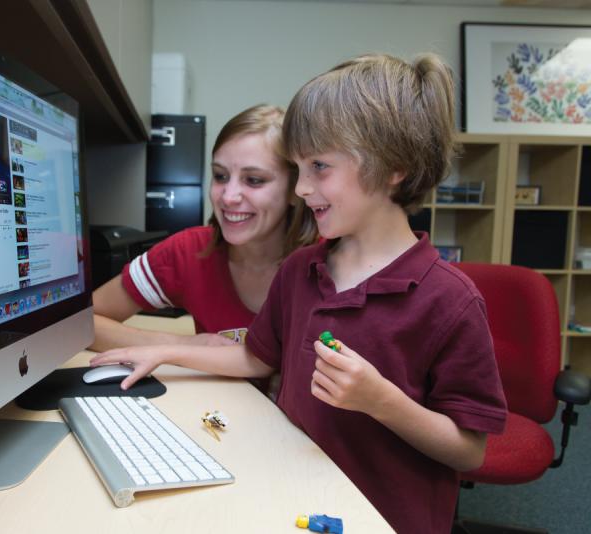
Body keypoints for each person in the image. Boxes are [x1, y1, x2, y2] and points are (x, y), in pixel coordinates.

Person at [90, 54, 507, 533]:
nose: (302, 188)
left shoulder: (451, 301)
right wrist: (164, 352)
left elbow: (470, 450)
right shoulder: (301, 269)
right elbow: (256, 358)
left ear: (394, 166)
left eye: (319, 167)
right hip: (297, 503)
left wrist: (381, 401)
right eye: (298, 168)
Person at [90, 104, 318, 352]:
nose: (228, 197)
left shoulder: (331, 260)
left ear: (296, 188)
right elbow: (83, 323)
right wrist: (181, 345)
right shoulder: (189, 251)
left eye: (254, 180)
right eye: (220, 176)